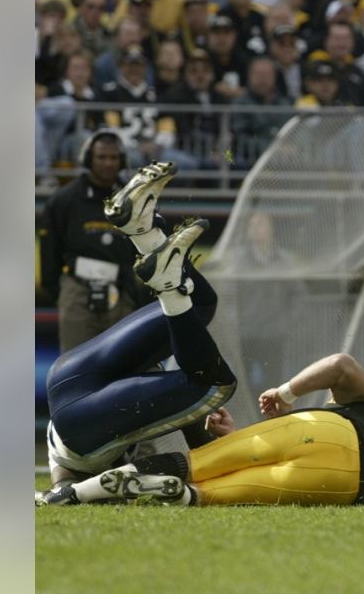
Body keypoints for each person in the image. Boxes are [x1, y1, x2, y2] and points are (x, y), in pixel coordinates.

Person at [38, 161, 236, 494]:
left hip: (78, 421)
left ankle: (158, 264)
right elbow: (195, 446)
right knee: (201, 304)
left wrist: (71, 493)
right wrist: (217, 434)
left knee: (216, 387)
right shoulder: (117, 430)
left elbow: (63, 487)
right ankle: (144, 233)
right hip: (67, 377)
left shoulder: (87, 454)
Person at [53, 352, 364, 507]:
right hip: (351, 490)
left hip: (331, 433)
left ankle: (75, 493)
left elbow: (340, 365)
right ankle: (182, 495)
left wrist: (285, 392)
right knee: (211, 494)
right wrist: (233, 435)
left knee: (198, 465)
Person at [39, 131, 148, 353]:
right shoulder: (64, 200)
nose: (108, 163)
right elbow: (50, 250)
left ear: (122, 161)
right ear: (88, 160)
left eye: (113, 158)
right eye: (101, 157)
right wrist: (60, 294)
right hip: (77, 291)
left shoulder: (134, 201)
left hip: (121, 292)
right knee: (74, 367)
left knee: (122, 366)